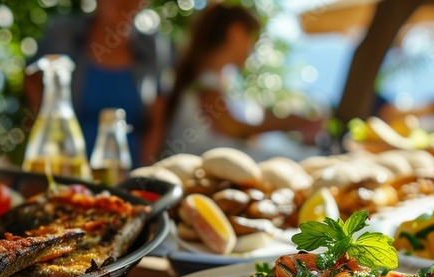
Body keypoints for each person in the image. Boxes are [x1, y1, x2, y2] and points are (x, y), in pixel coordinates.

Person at [163, 3, 323, 160]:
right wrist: (291, 122)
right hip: (201, 167)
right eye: (252, 39)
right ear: (236, 33)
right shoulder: (205, 81)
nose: (252, 49)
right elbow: (233, 127)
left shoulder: (213, 78)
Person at [27, 0, 172, 166]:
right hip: (63, 168)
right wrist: (52, 131)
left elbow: (157, 121)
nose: (128, 2)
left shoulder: (154, 48)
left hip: (124, 175)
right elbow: (32, 79)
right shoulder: (63, 34)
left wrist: (142, 178)